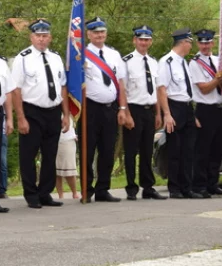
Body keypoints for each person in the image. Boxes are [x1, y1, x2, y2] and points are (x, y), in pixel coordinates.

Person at [10, 20, 68, 209]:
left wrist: (66, 115)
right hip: (32, 111)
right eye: (38, 36)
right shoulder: (22, 58)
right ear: (31, 37)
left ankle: (45, 193)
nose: (41, 39)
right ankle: (31, 194)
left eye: (45, 36)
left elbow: (62, 87)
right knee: (28, 155)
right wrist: (21, 118)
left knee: (50, 155)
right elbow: (16, 90)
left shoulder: (56, 58)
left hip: (53, 111)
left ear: (50, 37)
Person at [81, 17, 128, 203]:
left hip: (111, 108)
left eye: (102, 32)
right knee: (87, 150)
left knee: (107, 150)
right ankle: (86, 189)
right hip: (90, 108)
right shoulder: (81, 54)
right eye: (95, 32)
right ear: (88, 34)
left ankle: (103, 189)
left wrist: (122, 108)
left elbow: (121, 83)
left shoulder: (114, 55)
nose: (99, 35)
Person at [121, 25, 166, 201]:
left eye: (147, 40)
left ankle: (148, 187)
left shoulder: (153, 62)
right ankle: (131, 188)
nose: (144, 43)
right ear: (134, 40)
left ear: (151, 42)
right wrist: (126, 113)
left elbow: (157, 90)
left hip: (149, 110)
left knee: (147, 150)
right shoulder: (126, 62)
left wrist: (158, 114)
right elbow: (122, 90)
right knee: (131, 151)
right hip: (133, 109)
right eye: (141, 39)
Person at [157, 29, 198, 199]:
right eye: (190, 43)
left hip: (187, 107)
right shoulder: (166, 62)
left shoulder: (184, 63)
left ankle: (186, 187)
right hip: (174, 107)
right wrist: (167, 114)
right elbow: (161, 89)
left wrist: (193, 114)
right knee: (175, 149)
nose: (191, 46)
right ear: (183, 43)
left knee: (188, 150)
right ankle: (174, 188)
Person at [188, 29, 222, 198]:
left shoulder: (218, 61)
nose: (205, 46)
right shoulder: (195, 63)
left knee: (216, 150)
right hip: (205, 109)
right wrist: (218, 79)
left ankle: (213, 183)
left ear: (213, 43)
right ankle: (199, 185)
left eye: (208, 42)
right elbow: (204, 88)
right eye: (202, 43)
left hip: (220, 108)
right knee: (202, 150)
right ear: (198, 44)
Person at [54, 124, 79, 200]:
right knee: (56, 171)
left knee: (69, 169)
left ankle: (74, 193)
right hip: (52, 138)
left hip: (67, 138)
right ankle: (60, 196)